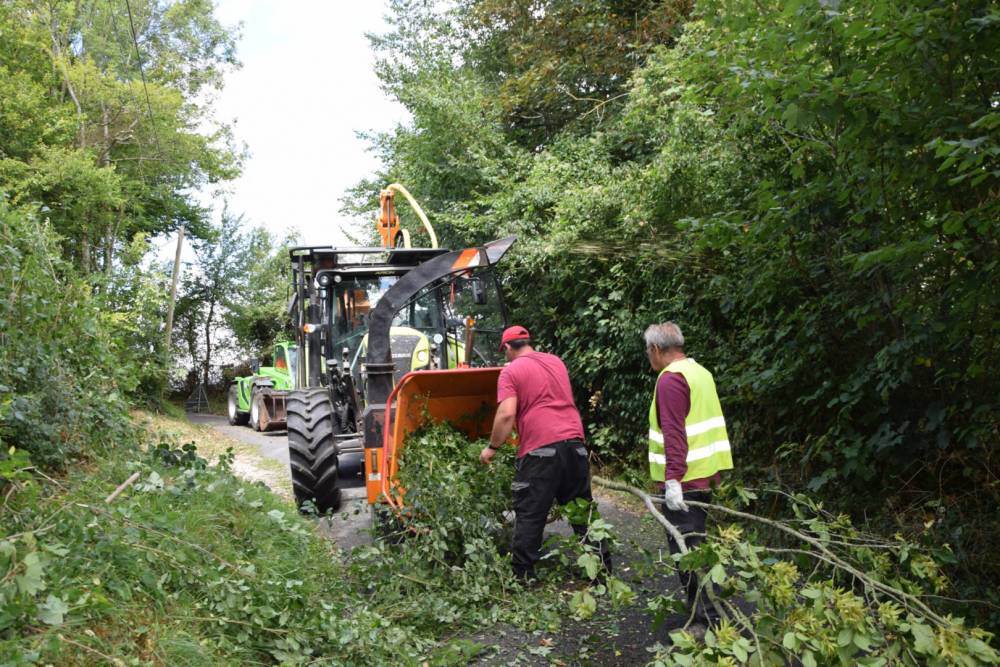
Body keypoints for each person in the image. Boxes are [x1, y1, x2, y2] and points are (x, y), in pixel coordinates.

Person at [480, 325, 610, 581]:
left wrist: (492, 448)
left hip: (540, 450)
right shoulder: (556, 362)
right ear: (528, 342)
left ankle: (523, 579)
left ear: (507, 347)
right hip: (575, 445)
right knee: (582, 511)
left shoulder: (511, 371)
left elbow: (506, 414)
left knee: (530, 513)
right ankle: (603, 573)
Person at [644, 321, 734, 625]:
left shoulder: (671, 379)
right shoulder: (700, 372)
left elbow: (674, 433)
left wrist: (672, 480)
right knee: (698, 545)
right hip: (704, 475)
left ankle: (708, 621)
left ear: (656, 349)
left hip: (684, 482)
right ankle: (712, 610)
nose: (649, 357)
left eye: (648, 351)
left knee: (688, 552)